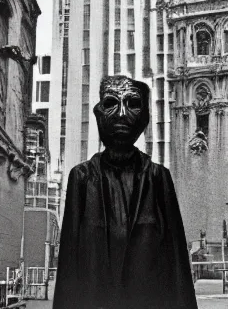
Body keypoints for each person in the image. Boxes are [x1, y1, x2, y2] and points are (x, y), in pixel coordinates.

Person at [53, 76, 197, 309]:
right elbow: (68, 268)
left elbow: (178, 266)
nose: (121, 114)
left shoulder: (159, 178)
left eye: (132, 104)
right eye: (111, 103)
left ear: (145, 118)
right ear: (98, 113)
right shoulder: (81, 178)